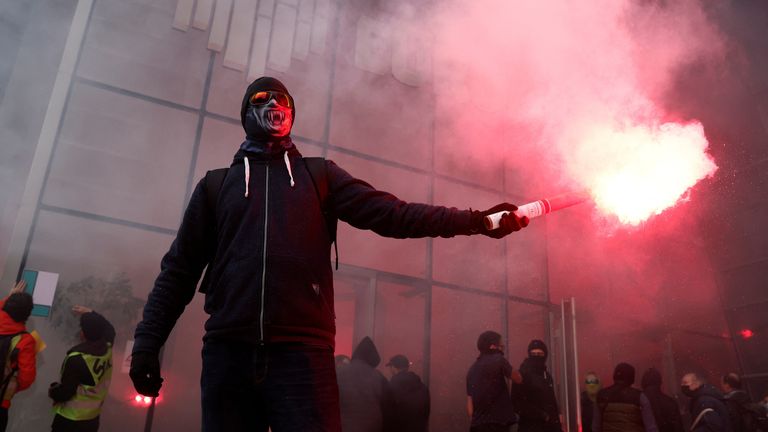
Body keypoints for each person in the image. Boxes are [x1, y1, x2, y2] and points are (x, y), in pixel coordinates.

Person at [129, 76, 529, 432]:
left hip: (304, 359)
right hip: (229, 355)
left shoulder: (318, 176)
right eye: (264, 99)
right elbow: (178, 271)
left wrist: (477, 221)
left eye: (283, 102)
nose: (274, 108)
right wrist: (148, 344)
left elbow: (395, 214)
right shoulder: (217, 187)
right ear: (246, 111)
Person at [49, 306, 115, 432]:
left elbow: (65, 393)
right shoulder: (107, 348)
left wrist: (52, 391)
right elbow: (110, 329)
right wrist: (91, 313)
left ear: (83, 333)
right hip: (92, 419)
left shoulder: (77, 359)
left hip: (70, 420)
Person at [466, 331, 521, 432]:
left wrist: (475, 420)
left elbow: (469, 401)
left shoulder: (472, 369)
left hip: (477, 425)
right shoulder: (498, 359)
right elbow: (518, 378)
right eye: (501, 346)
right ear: (493, 346)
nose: (502, 349)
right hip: (497, 424)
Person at [336, 337, 394, 432]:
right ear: (372, 359)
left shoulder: (339, 373)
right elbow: (389, 408)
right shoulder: (378, 377)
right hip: (372, 428)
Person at [0, 281, 35, 432]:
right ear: (26, 315)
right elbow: (26, 378)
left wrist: (10, 297)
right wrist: (11, 388)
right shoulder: (25, 340)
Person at [512, 339, 561, 432]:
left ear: (545, 355)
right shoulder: (522, 375)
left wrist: (556, 425)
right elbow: (517, 403)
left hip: (548, 427)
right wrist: (541, 415)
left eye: (540, 354)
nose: (536, 357)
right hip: (529, 427)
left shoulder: (547, 376)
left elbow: (552, 403)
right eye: (533, 354)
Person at [593, 362, 658, 432]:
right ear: (631, 378)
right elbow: (651, 427)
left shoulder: (601, 395)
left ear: (614, 376)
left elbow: (596, 427)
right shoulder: (639, 397)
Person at [386, 354, 430, 432]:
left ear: (393, 368)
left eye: (390, 367)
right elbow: (426, 411)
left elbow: (388, 412)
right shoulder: (421, 386)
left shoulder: (391, 387)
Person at [641, 367, 683, 432]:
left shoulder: (637, 400)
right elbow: (678, 427)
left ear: (643, 382)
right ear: (660, 382)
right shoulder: (670, 402)